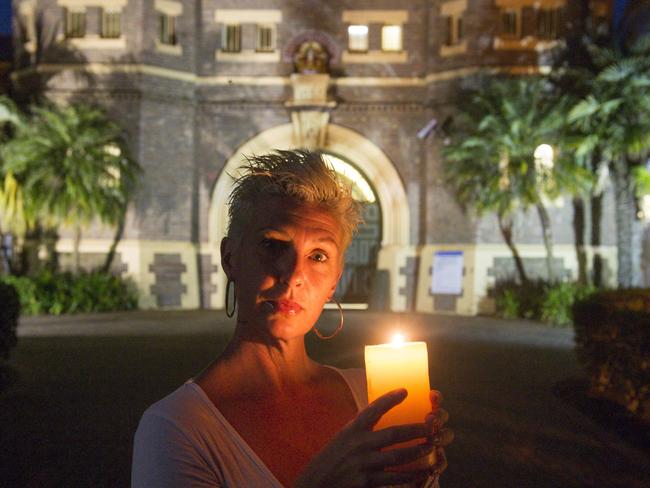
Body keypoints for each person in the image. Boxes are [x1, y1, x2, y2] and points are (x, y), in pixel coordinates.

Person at [132, 150, 453, 487]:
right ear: (230, 258)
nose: (294, 274)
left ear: (335, 280)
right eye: (273, 246)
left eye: (318, 255)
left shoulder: (377, 398)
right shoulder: (176, 427)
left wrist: (418, 476)